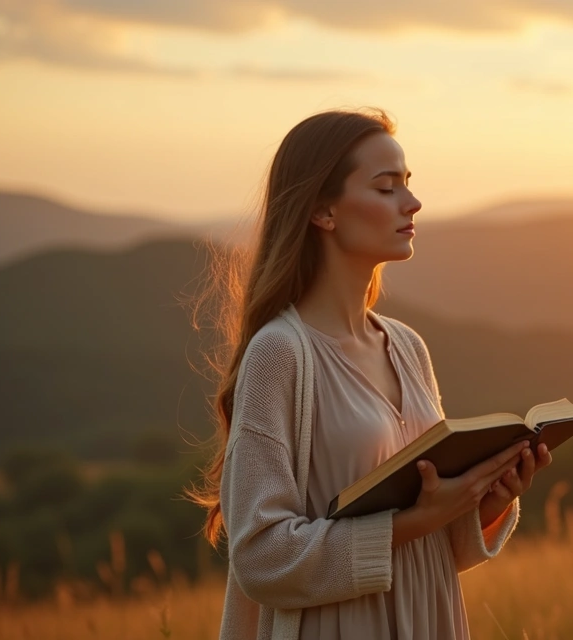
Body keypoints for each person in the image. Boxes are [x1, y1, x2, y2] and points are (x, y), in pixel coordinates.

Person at [189, 108, 552, 639]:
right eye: (386, 188)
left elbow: (433, 551)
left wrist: (486, 499)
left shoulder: (407, 348)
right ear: (323, 211)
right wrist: (415, 521)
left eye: (408, 183)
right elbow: (261, 557)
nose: (412, 202)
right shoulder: (280, 355)